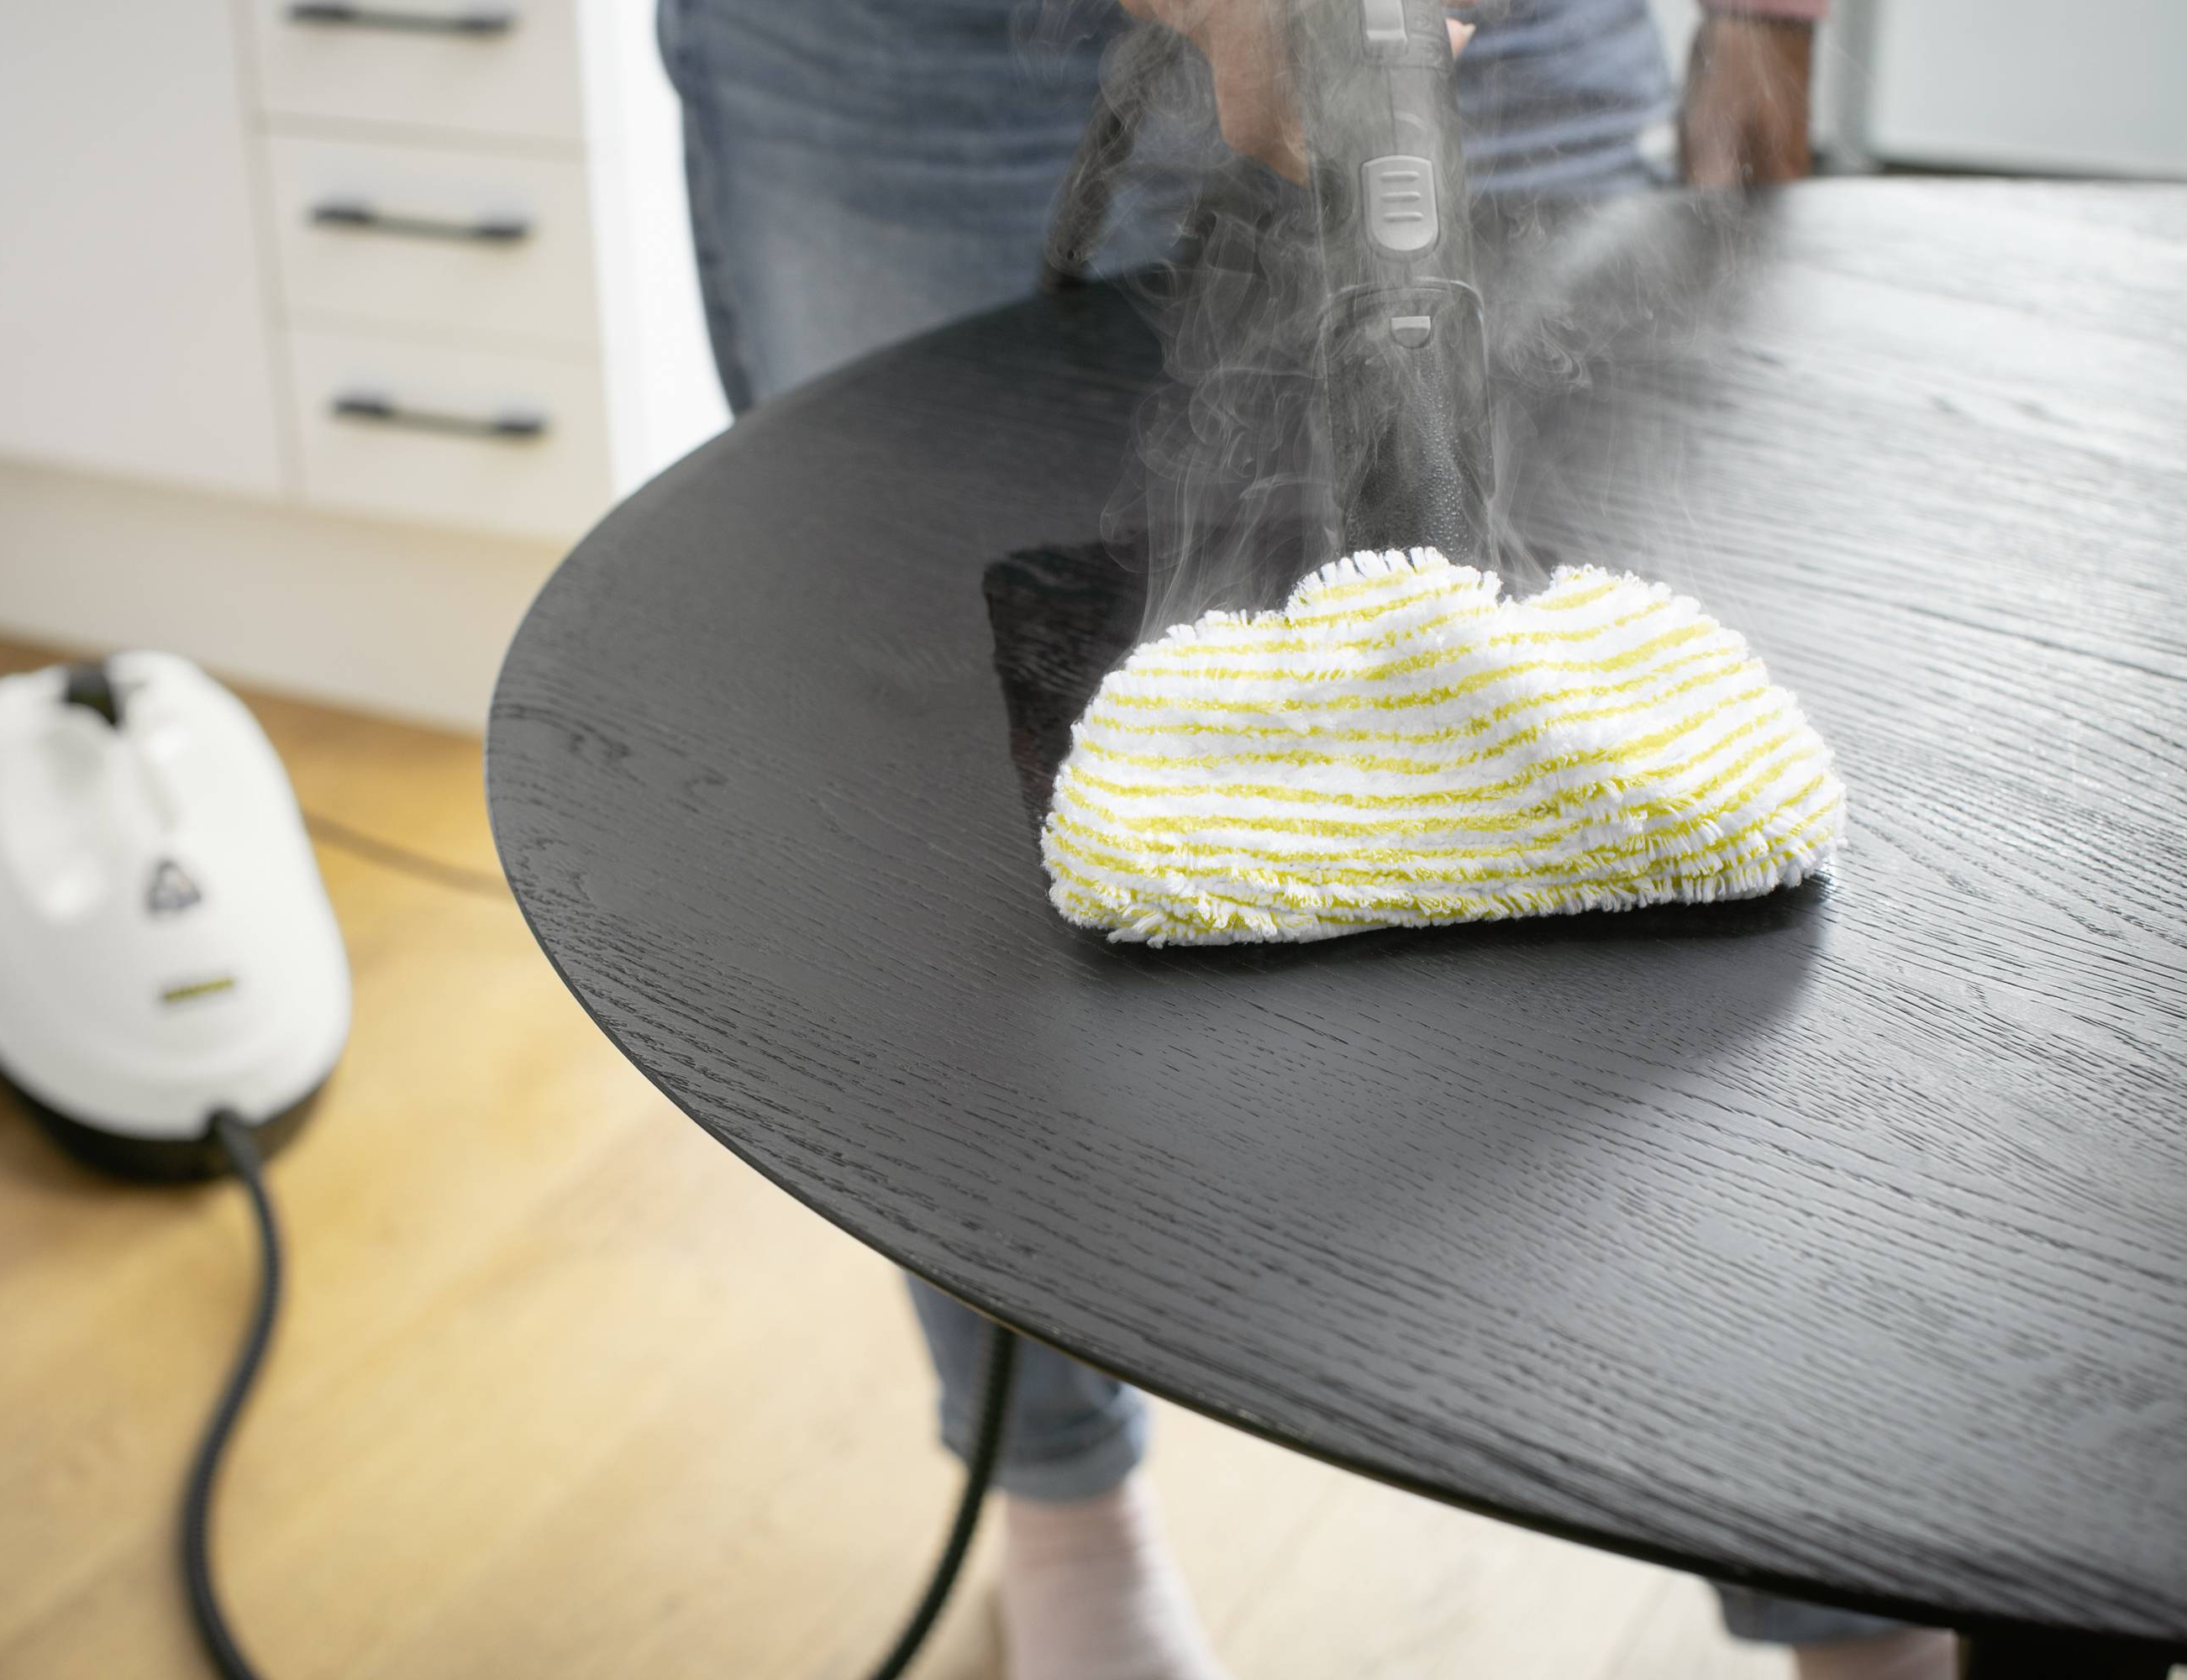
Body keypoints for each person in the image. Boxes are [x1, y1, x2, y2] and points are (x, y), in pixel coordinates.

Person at [658, 3, 1955, 1676]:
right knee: (944, 835)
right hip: (911, 55)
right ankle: (1066, 1513)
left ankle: (1848, 1596)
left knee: (1652, 901)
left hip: (1511, 29)